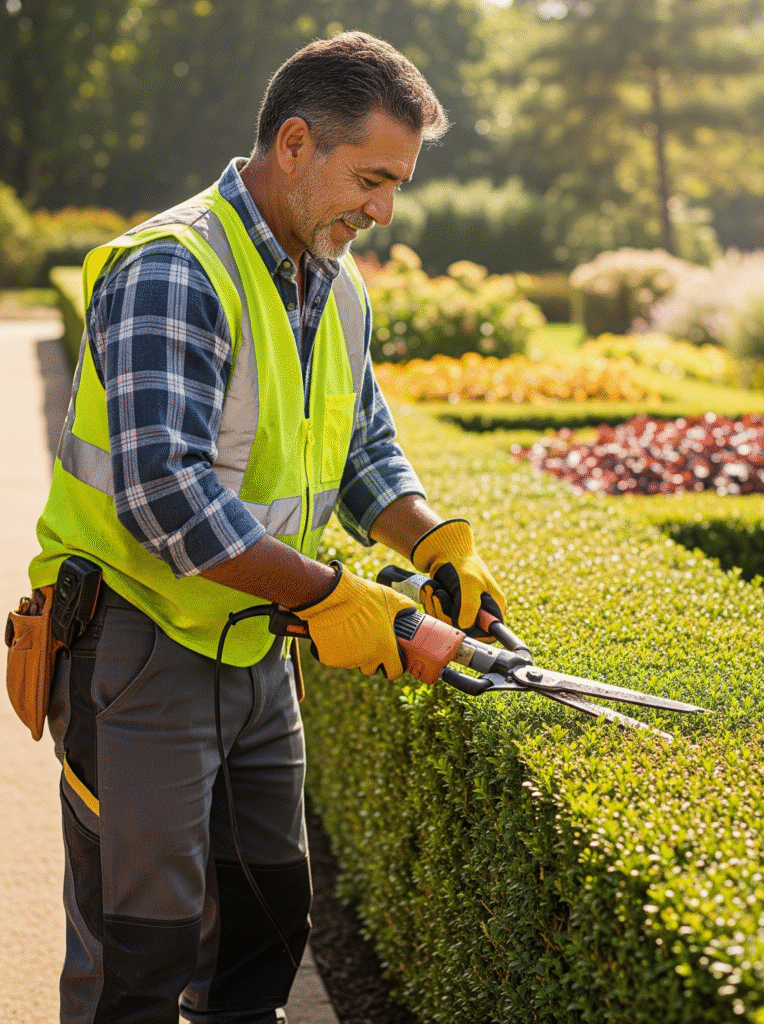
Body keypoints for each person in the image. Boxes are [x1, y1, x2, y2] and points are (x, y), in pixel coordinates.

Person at [26, 31, 505, 1024]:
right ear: (294, 144)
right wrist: (336, 597)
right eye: (371, 179)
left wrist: (434, 545)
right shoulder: (176, 267)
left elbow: (363, 449)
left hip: (255, 646)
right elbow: (165, 493)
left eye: (397, 185)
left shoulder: (334, 281)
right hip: (137, 649)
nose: (383, 210)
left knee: (266, 924)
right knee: (140, 951)